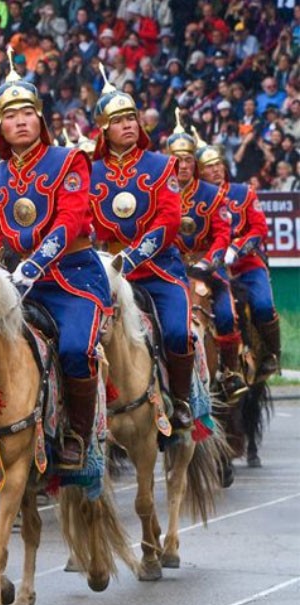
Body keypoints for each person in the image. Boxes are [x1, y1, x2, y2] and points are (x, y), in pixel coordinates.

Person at [0, 50, 111, 469]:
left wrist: (34, 263)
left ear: (40, 120)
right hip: (15, 282)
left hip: (73, 279)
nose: (21, 121)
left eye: (28, 112)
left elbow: (71, 219)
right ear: (0, 127)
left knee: (77, 350)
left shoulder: (70, 161)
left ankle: (77, 435)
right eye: (11, 115)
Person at [90, 64, 194, 432]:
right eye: (118, 120)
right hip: (109, 273)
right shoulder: (90, 171)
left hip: (160, 270)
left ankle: (181, 401)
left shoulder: (162, 165)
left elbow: (168, 220)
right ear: (104, 129)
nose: (129, 125)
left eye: (131, 118)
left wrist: (131, 257)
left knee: (180, 334)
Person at [166, 118, 247, 401]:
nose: (184, 165)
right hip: (171, 268)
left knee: (225, 315)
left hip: (207, 265)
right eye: (178, 160)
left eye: (188, 160)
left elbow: (223, 235)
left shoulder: (212, 194)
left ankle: (230, 372)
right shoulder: (159, 192)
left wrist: (209, 262)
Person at [195, 132, 281, 380]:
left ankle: (270, 354)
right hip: (212, 267)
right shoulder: (198, 198)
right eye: (209, 167)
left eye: (218, 165)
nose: (216, 170)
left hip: (246, 264)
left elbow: (259, 229)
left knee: (263, 306)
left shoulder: (244, 193)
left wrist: (236, 249)